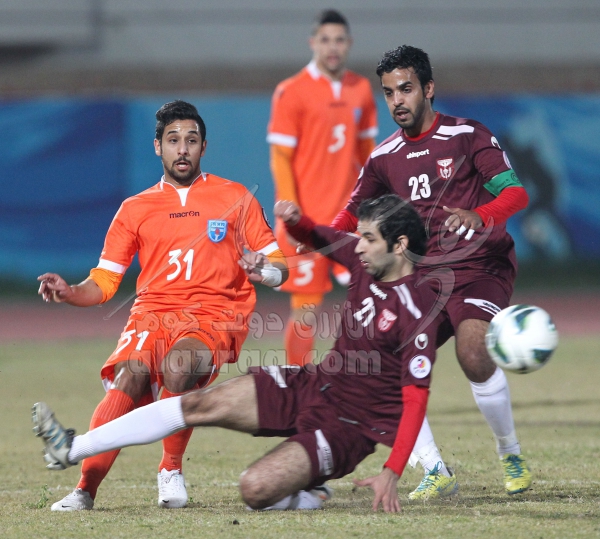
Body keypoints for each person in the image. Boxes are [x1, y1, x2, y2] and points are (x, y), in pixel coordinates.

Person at [33, 194, 444, 513]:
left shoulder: (418, 309)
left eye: (369, 239)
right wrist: (295, 221)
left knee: (254, 489)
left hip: (348, 427)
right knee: (197, 404)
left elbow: (415, 400)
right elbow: (319, 237)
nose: (359, 247)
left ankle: (311, 492)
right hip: (313, 384)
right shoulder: (363, 260)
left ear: (400, 245)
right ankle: (72, 448)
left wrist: (392, 471)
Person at [36, 100, 288, 511]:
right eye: (173, 140)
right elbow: (104, 281)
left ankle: (170, 469)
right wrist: (70, 292)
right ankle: (85, 489)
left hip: (213, 315)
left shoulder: (235, 197)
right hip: (152, 313)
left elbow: (278, 264)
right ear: (158, 147)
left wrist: (267, 271)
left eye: (191, 140)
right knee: (130, 378)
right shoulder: (135, 208)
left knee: (179, 366)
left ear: (204, 146)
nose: (182, 149)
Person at [332, 45, 531, 499]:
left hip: (480, 266)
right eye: (388, 93)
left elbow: (515, 193)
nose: (397, 100)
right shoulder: (384, 156)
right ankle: (435, 470)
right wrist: (313, 235)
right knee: (380, 365)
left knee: (473, 350)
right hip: (423, 280)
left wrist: (480, 215)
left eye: (405, 89)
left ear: (428, 89)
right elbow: (349, 214)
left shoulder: (467, 135)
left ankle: (510, 452)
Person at [267, 9, 378, 366]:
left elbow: (367, 153)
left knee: (374, 298)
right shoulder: (291, 91)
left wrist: (378, 200)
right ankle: (297, 382)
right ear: (313, 43)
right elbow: (281, 156)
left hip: (350, 219)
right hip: (308, 220)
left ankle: (371, 381)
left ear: (349, 44)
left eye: (339, 40)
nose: (333, 47)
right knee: (306, 308)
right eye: (326, 40)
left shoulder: (361, 89)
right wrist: (291, 210)